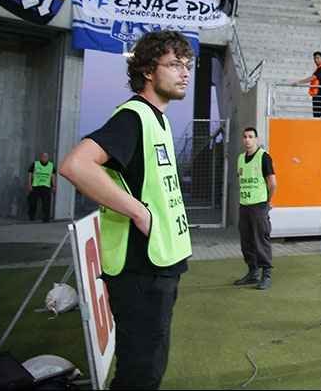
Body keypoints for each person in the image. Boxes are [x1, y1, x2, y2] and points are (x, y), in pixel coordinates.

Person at [59, 31, 194, 389]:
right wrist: (139, 213)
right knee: (139, 373)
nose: (185, 73)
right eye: (174, 64)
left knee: (148, 366)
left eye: (187, 65)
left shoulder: (158, 119)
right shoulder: (133, 117)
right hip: (140, 267)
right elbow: (75, 165)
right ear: (148, 70)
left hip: (159, 261)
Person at [234, 127, 277, 290]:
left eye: (251, 137)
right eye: (245, 137)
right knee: (246, 241)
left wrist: (267, 202)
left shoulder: (264, 157)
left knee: (261, 240)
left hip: (259, 206)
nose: (247, 139)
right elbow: (241, 179)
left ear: (256, 139)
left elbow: (272, 184)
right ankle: (253, 273)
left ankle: (266, 275)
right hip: (244, 206)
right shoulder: (240, 158)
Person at [294, 51, 321, 118]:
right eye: (314, 58)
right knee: (317, 113)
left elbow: (313, 78)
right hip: (318, 93)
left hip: (320, 94)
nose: (315, 60)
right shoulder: (320, 68)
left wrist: (299, 82)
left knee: (318, 114)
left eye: (317, 58)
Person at [27, 152, 56, 222]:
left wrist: (54, 186)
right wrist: (29, 184)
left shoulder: (51, 165)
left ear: (48, 158)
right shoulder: (35, 164)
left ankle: (46, 218)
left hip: (46, 186)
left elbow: (53, 176)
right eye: (43, 157)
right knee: (32, 202)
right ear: (40, 157)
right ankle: (31, 217)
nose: (44, 158)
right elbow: (30, 174)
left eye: (46, 157)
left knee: (46, 203)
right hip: (36, 186)